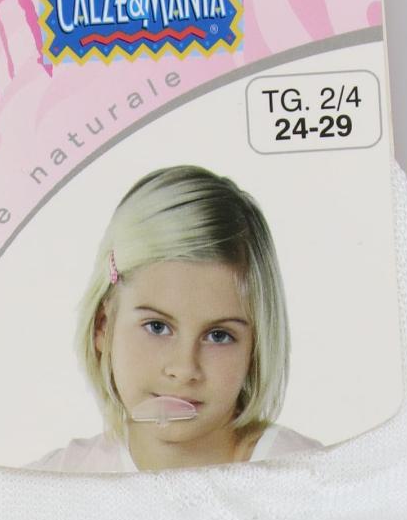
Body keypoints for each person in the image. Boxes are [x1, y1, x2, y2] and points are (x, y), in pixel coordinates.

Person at [28, 164, 319, 472]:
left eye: (218, 335)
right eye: (157, 327)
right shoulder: (57, 481)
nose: (184, 369)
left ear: (255, 346)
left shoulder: (305, 476)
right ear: (103, 326)